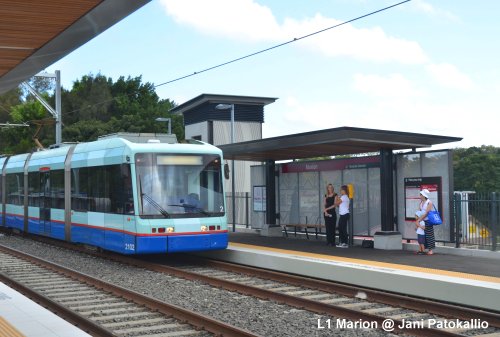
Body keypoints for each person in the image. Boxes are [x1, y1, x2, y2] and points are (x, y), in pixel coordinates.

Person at [416, 189, 435, 255]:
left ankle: (430, 250)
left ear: (424, 195)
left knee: (429, 235)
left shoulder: (429, 202)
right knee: (422, 235)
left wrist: (419, 219)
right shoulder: (421, 203)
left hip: (428, 221)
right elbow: (420, 211)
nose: (420, 196)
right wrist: (418, 219)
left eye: (421, 194)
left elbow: (427, 213)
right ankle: (422, 249)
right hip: (422, 221)